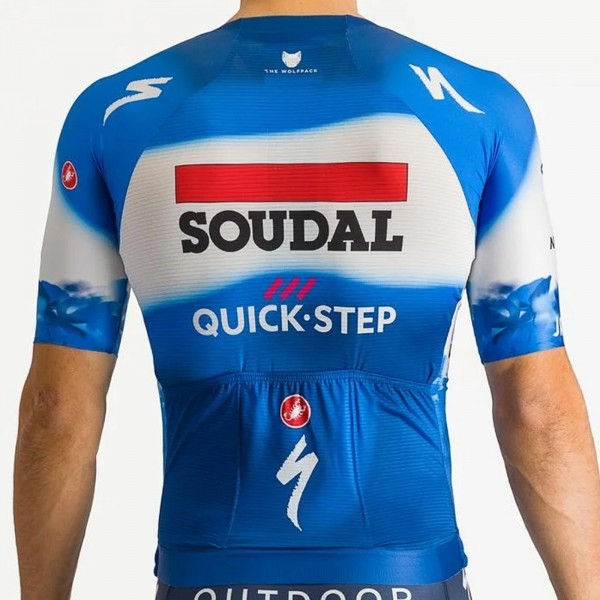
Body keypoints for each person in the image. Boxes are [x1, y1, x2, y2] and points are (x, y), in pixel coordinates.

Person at [13, 0, 600, 598]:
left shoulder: (115, 115)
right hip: (409, 574)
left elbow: (56, 409)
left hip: (206, 575)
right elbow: (535, 407)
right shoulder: (478, 109)